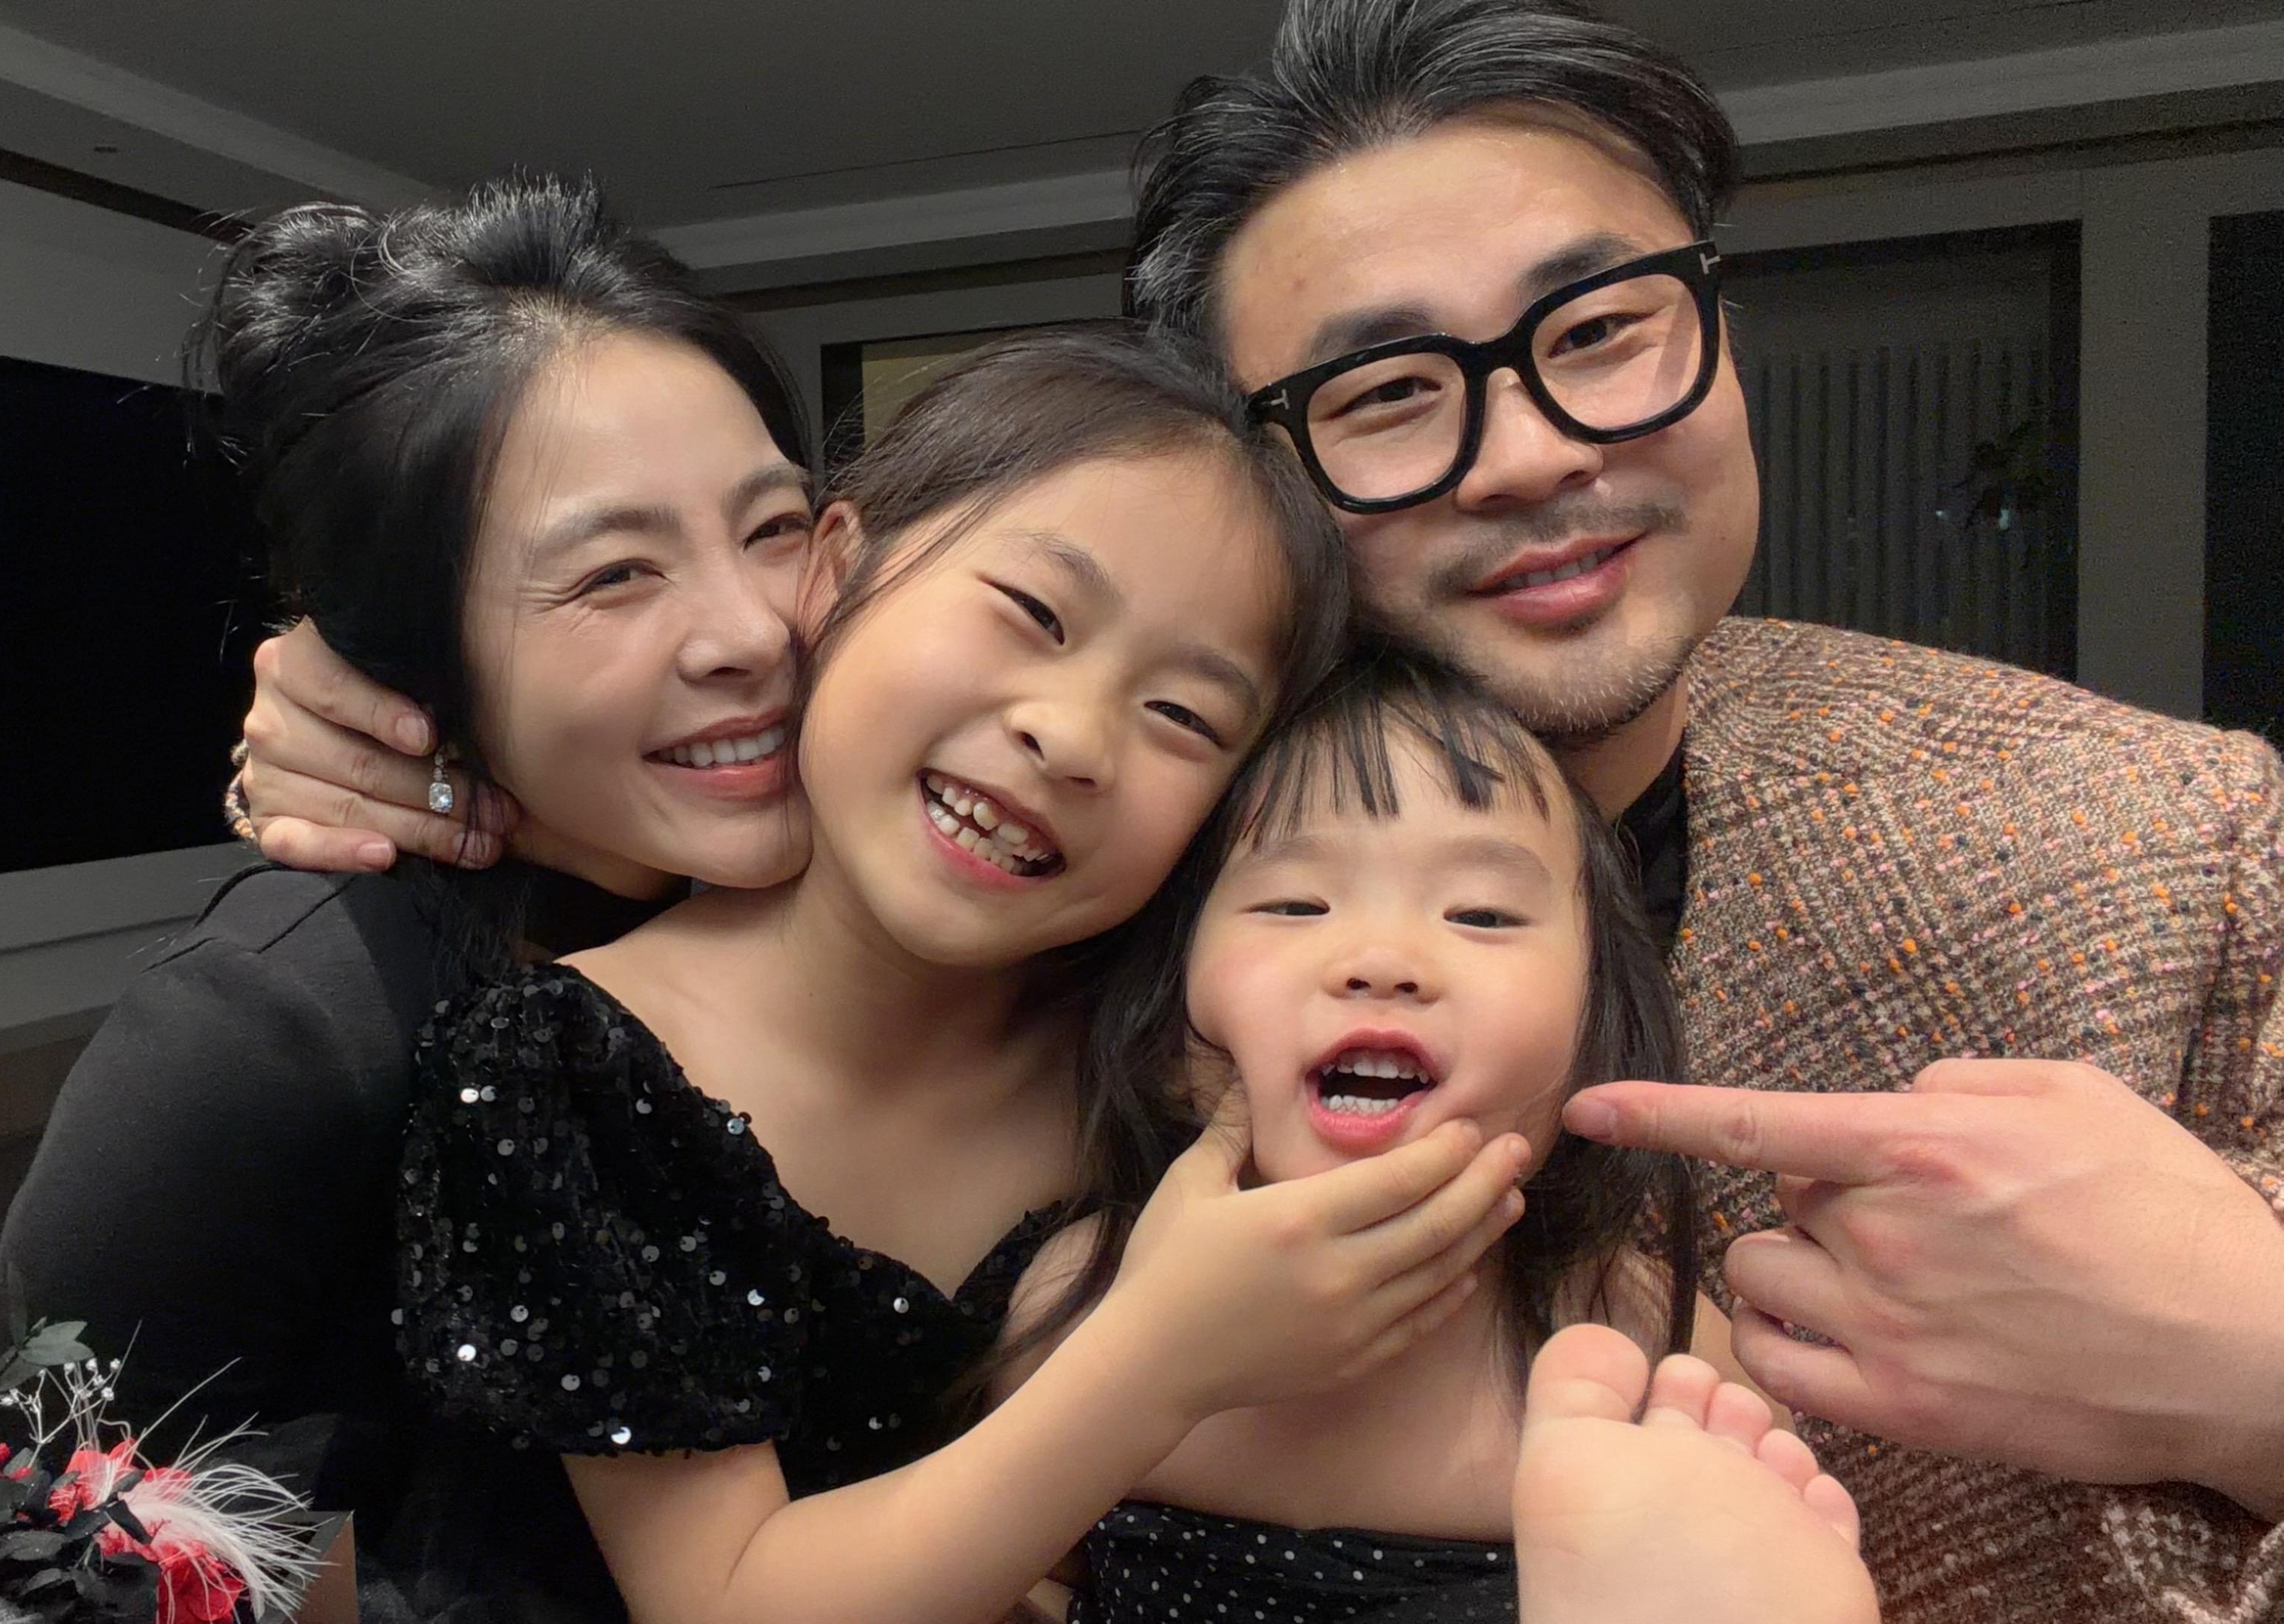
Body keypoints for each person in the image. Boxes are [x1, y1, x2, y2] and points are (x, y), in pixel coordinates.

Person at [232, 4, 2284, 1617]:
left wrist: (2252, 1362)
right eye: (1388, 393)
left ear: (1718, 326)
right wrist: (438, 708)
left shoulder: (2159, 845)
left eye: (1603, 331)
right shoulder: (1117, 875)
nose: (1531, 452)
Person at [0, 172, 829, 1624]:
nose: (753, 631)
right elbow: (16, 1530)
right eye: (614, 574)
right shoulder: (278, 1026)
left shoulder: (864, 895)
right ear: (406, 656)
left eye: (776, 530)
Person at [999, 644, 1873, 1623]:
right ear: (1170, 1033)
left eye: (1482, 914)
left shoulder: (1659, 1363)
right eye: (1295, 904)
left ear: (1599, 1034)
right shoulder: (1086, 1307)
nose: (1382, 959)